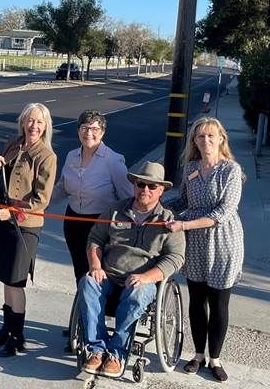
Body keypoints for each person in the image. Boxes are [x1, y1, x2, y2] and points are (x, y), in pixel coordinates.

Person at [78, 161, 185, 377]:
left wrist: (147, 277)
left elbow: (175, 258)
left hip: (142, 281)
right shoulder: (115, 210)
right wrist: (96, 266)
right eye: (140, 184)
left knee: (138, 292)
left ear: (161, 190)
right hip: (108, 275)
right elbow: (95, 239)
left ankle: (117, 353)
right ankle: (96, 350)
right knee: (88, 282)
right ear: (134, 185)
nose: (145, 189)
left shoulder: (168, 221)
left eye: (152, 186)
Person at [165, 117, 244, 382]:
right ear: (194, 142)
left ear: (221, 138)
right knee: (197, 302)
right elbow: (183, 200)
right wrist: (159, 208)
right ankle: (198, 354)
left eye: (211, 136)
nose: (205, 141)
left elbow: (223, 212)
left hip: (223, 241)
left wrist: (184, 225)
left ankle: (215, 358)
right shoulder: (191, 168)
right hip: (196, 243)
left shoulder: (231, 170)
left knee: (219, 303)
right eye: (200, 137)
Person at [0, 103, 57, 357]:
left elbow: (42, 199)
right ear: (22, 122)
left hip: (25, 225)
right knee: (5, 278)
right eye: (29, 120)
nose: (33, 126)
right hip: (4, 219)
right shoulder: (13, 144)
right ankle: (6, 328)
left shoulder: (46, 156)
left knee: (16, 281)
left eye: (39, 122)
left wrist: (13, 212)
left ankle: (18, 336)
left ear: (45, 126)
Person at [52, 110, 133, 285]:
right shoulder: (71, 156)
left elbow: (128, 197)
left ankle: (98, 309)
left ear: (102, 132)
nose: (89, 133)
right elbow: (62, 188)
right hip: (73, 222)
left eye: (94, 129)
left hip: (100, 225)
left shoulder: (113, 160)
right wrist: (37, 204)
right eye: (84, 128)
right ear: (78, 131)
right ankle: (83, 308)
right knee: (80, 270)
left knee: (98, 273)